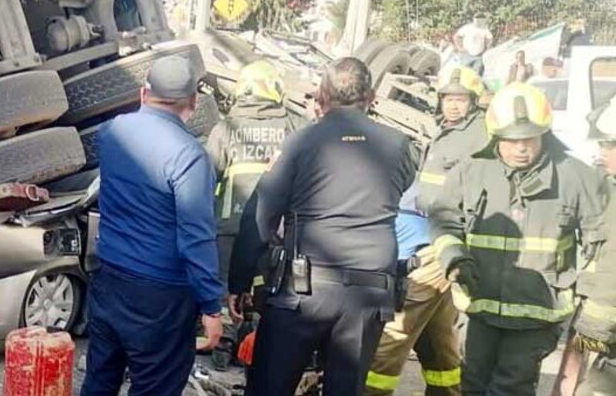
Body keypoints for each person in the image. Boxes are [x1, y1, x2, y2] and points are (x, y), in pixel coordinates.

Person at [246, 57, 419, 395]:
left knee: (269, 385)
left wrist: (248, 273)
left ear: (322, 95)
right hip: (370, 290)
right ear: (371, 97)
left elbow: (264, 211)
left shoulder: (301, 141)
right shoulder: (400, 146)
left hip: (304, 288)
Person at [429, 83, 609, 395]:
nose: (522, 148)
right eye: (512, 140)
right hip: (479, 309)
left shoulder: (576, 177)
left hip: (536, 315)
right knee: (471, 385)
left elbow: (606, 243)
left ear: (545, 134)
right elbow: (444, 219)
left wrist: (594, 302)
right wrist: (454, 257)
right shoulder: (471, 171)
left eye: (530, 138)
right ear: (496, 136)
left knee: (510, 388)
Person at [81, 55, 224, 396]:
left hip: (109, 279)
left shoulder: (112, 132)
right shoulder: (189, 156)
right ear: (193, 102)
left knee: (99, 381)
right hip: (161, 297)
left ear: (144, 94)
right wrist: (211, 305)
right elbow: (196, 237)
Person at [363, 67, 487, 396]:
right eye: (448, 98)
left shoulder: (477, 137)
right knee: (440, 343)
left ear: (474, 101)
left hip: (435, 248)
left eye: (461, 99)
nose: (453, 105)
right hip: (437, 243)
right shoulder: (448, 132)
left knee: (393, 336)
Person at [207, 60, 306, 281]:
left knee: (228, 290)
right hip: (275, 230)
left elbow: (207, 181)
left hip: (230, 230)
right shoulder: (294, 127)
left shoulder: (224, 129)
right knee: (268, 289)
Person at [571, 99, 616, 396]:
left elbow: (612, 268)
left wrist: (592, 330)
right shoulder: (609, 185)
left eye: (609, 145)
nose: (601, 153)